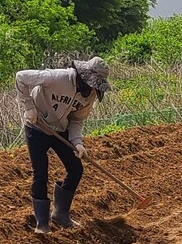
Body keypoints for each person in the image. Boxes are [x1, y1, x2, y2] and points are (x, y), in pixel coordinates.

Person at [16, 57, 111, 234]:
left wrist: (78, 142)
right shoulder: (57, 77)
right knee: (41, 172)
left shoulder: (89, 96)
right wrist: (29, 107)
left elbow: (76, 120)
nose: (92, 88)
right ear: (84, 76)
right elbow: (21, 77)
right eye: (91, 83)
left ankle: (60, 214)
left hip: (60, 130)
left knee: (76, 169)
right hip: (37, 126)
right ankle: (42, 224)